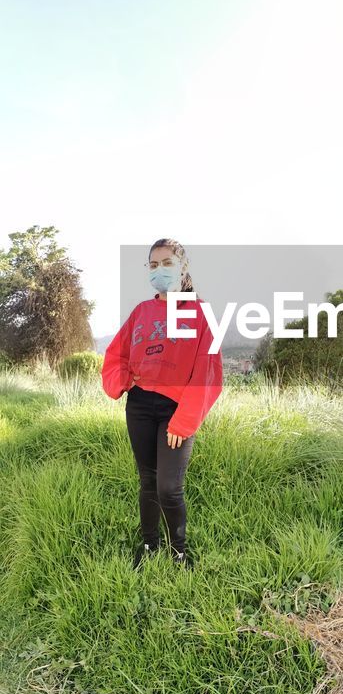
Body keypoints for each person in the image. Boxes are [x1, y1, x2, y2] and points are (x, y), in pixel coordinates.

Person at [101, 238, 223, 570]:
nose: (159, 270)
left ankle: (179, 551)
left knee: (169, 487)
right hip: (139, 406)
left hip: (176, 410)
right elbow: (117, 354)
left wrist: (184, 421)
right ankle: (149, 545)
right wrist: (122, 382)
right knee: (148, 480)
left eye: (166, 263)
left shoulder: (200, 314)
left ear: (182, 267)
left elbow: (208, 374)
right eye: (153, 265)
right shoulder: (142, 311)